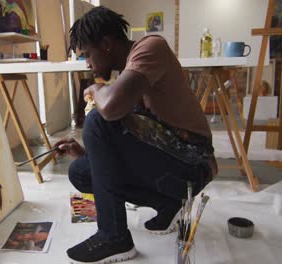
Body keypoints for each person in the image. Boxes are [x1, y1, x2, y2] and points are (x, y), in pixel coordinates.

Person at [55, 6, 218, 264]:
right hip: (171, 162)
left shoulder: (150, 48)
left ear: (107, 44)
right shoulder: (131, 74)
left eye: (88, 55)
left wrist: (96, 88)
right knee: (80, 171)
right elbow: (131, 144)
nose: (88, 64)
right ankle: (167, 204)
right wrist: (86, 154)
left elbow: (109, 108)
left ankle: (114, 236)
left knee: (98, 118)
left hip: (193, 164)